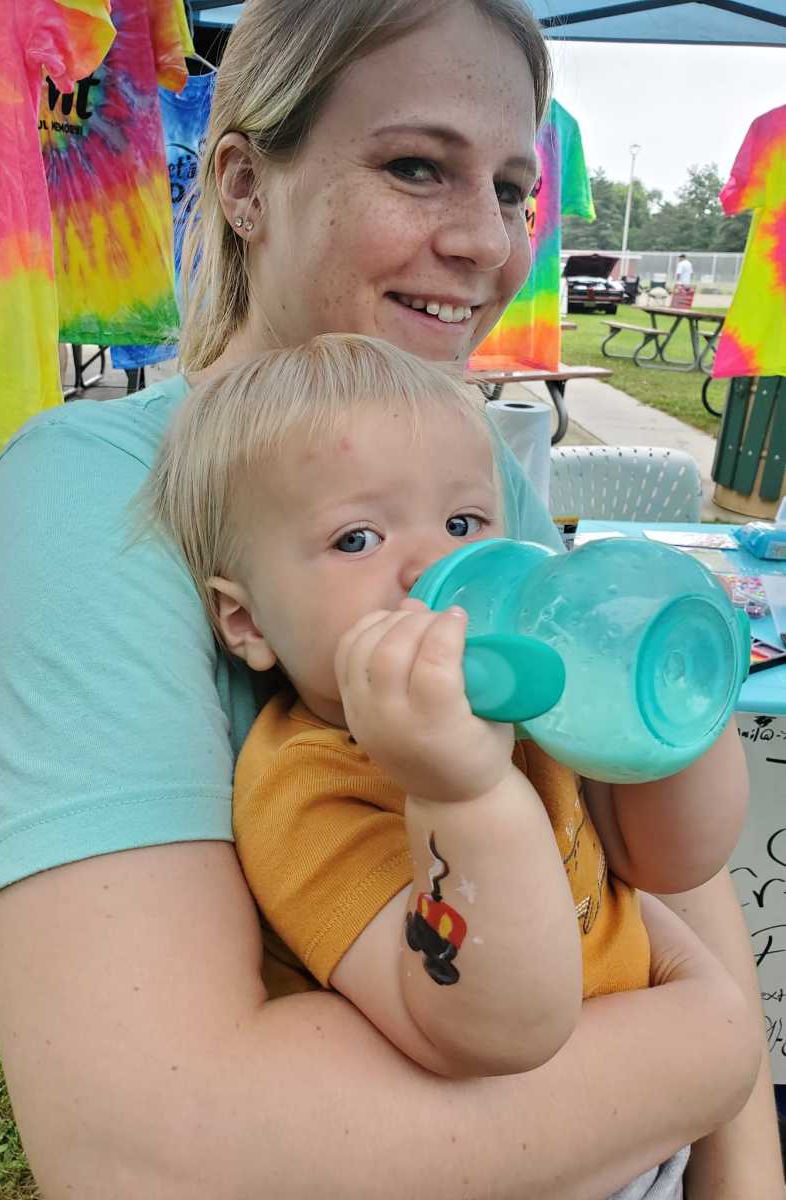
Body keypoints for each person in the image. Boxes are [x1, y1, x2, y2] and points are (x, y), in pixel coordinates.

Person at [0, 0, 783, 1197]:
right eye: (415, 167)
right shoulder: (108, 489)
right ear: (244, 183)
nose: (488, 242)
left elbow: (664, 862)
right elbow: (149, 1153)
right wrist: (707, 1047)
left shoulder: (468, 466)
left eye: (512, 189)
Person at [148, 331, 748, 1087]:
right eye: (357, 538)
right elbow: (497, 1035)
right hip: (525, 1129)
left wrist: (672, 709)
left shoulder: (525, 705)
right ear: (248, 622)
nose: (438, 563)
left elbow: (668, 861)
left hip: (650, 1092)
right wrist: (461, 797)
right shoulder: (306, 790)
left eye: (463, 524)